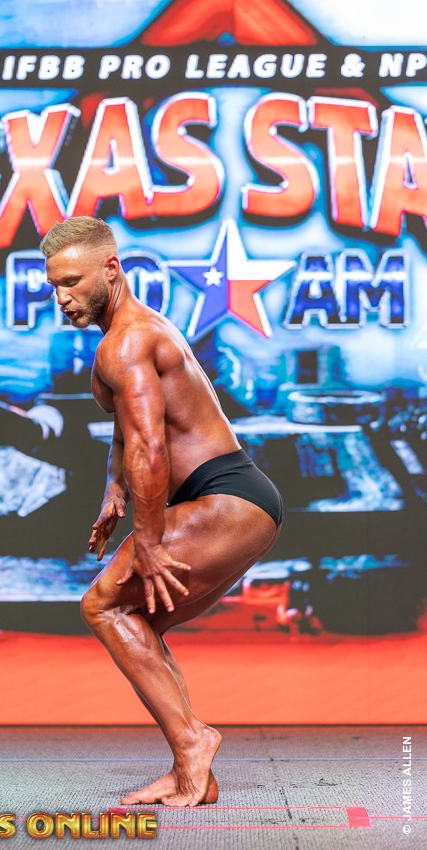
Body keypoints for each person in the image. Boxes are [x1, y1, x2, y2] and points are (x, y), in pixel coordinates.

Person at [41, 216, 283, 808]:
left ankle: (193, 743)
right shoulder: (132, 334)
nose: (61, 297)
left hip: (224, 498)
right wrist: (114, 489)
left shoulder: (125, 342)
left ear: (111, 269)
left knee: (102, 605)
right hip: (240, 500)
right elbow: (129, 430)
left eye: (71, 281)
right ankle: (188, 765)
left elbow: (151, 447)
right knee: (136, 621)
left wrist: (148, 542)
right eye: (54, 285)